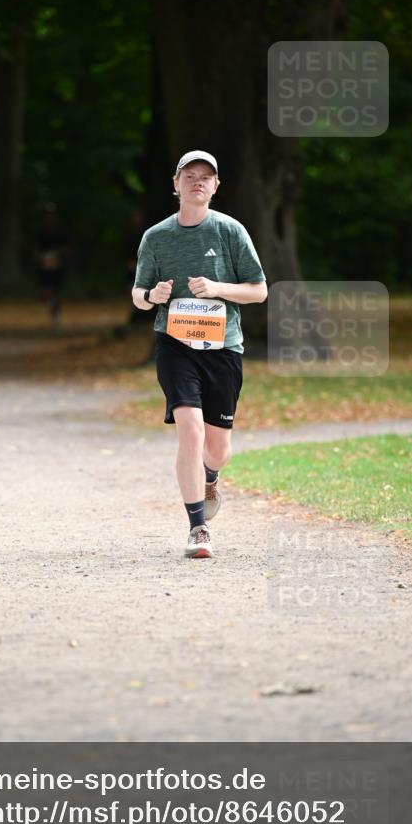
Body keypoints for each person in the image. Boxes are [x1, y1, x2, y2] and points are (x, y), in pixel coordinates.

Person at [132, 150, 267, 558]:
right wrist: (151, 296)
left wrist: (218, 288)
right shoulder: (156, 237)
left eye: (205, 177)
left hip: (223, 347)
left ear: (216, 186)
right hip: (175, 345)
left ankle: (211, 476)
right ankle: (198, 528)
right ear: (175, 184)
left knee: (218, 447)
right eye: (189, 176)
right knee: (188, 428)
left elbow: (259, 290)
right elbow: (138, 295)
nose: (197, 182)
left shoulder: (230, 231)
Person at [33, 207, 69, 327]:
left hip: (57, 267)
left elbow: (67, 249)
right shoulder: (40, 233)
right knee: (45, 292)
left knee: (56, 291)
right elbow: (36, 249)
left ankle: (56, 315)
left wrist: (59, 255)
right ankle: (51, 307)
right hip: (44, 267)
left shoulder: (60, 233)